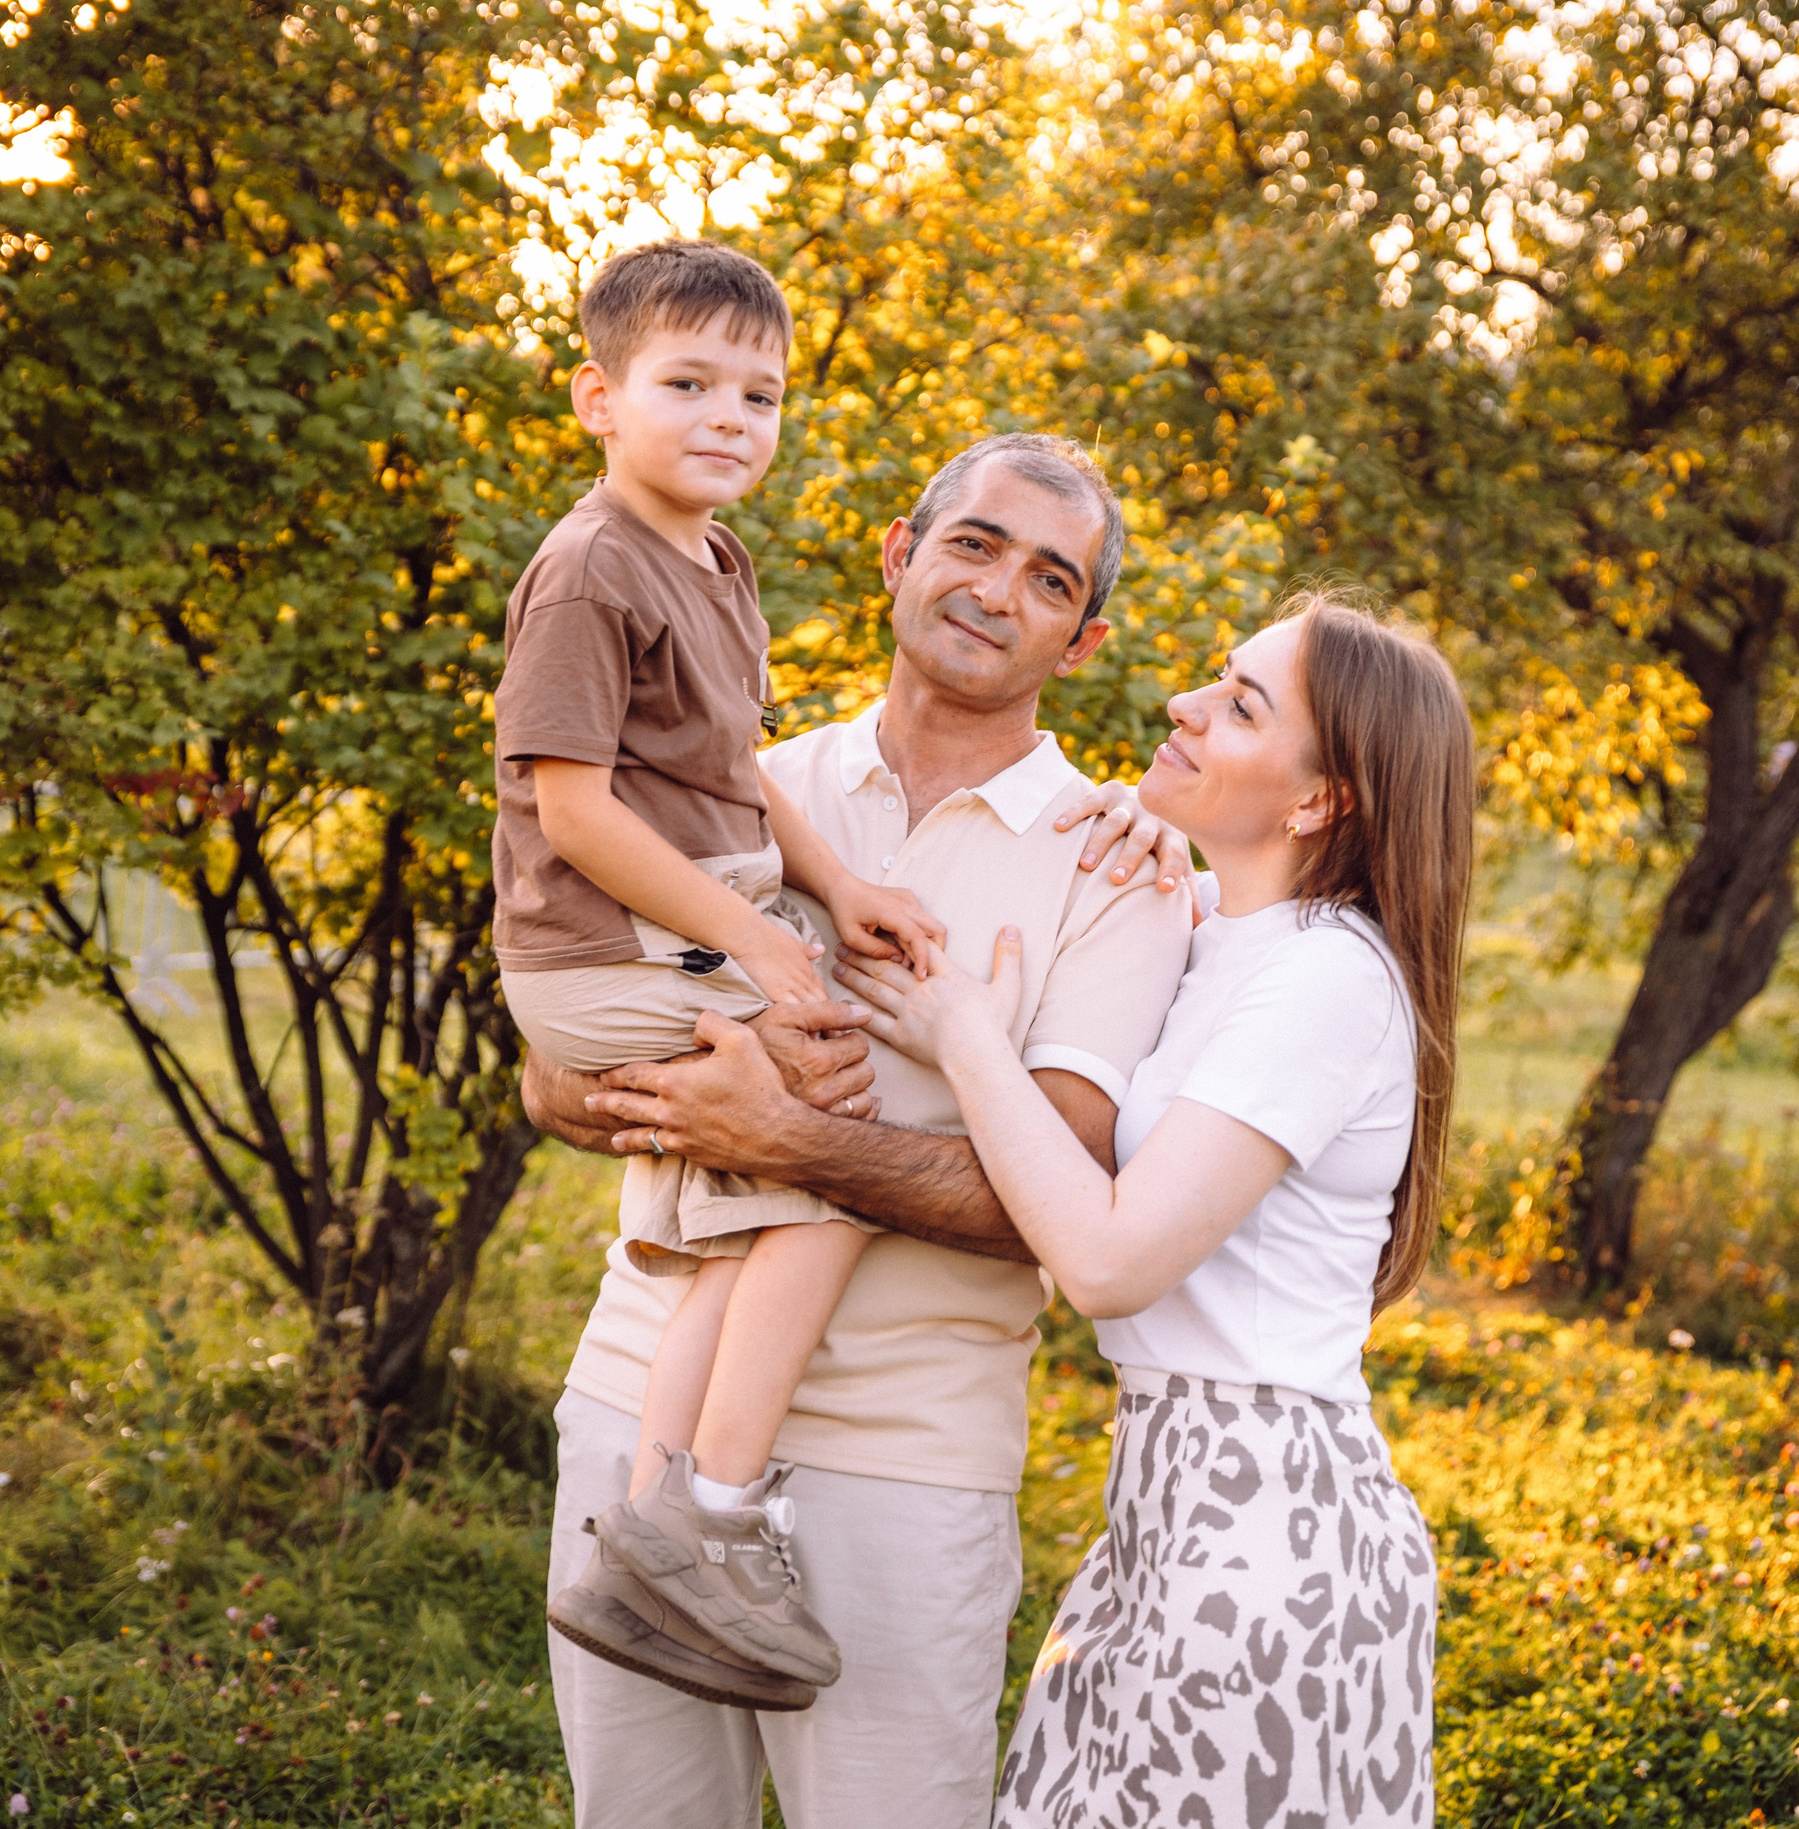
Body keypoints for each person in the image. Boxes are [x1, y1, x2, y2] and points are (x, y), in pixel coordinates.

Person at [523, 433, 1196, 1827]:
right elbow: (546, 1080)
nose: (999, 590)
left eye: (1050, 579)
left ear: (1083, 641)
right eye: (974, 544)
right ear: (901, 551)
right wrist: (673, 1097)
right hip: (636, 1404)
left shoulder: (1114, 865)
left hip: (908, 1461)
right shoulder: (742, 781)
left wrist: (791, 1140)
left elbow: (1059, 1196)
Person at [835, 591, 1475, 1828]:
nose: (1182, 703)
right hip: (1175, 1504)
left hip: (1265, 1535)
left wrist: (969, 1034)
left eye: (1239, 705)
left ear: (1316, 801)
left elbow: (1113, 1258)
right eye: (1214, 677)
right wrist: (1157, 842)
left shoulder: (1324, 981)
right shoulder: (1237, 936)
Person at [492, 239, 954, 1702]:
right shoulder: (585, 570)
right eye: (687, 384)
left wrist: (834, 882)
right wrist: (761, 940)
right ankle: (713, 1509)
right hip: (599, 945)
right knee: (828, 1106)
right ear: (597, 399)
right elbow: (572, 810)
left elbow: (730, 768)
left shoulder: (716, 558)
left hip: (675, 926)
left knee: (755, 1187)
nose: (727, 419)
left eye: (759, 394)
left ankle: (652, 1522)